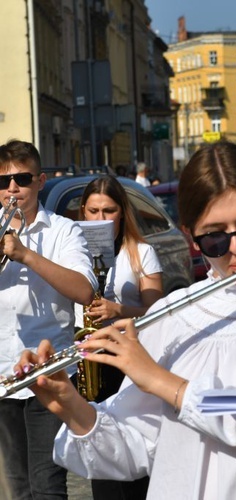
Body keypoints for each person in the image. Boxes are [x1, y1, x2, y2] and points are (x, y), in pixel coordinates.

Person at [19, 141, 236, 499]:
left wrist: (160, 380)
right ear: (191, 234)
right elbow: (134, 447)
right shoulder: (171, 313)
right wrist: (70, 405)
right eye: (215, 238)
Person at [0, 139, 97, 499]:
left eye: (22, 179)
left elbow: (85, 291)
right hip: (2, 377)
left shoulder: (63, 231)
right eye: (3, 181)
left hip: (49, 374)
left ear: (40, 181)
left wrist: (25, 255)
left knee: (47, 486)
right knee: (15, 488)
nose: (12, 189)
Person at [76, 175, 165, 499]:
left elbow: (158, 311)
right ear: (82, 212)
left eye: (109, 211)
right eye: (94, 211)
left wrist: (120, 310)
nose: (100, 219)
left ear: (122, 212)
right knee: (100, 452)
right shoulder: (72, 252)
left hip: (128, 360)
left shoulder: (141, 252)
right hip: (89, 359)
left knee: (133, 447)